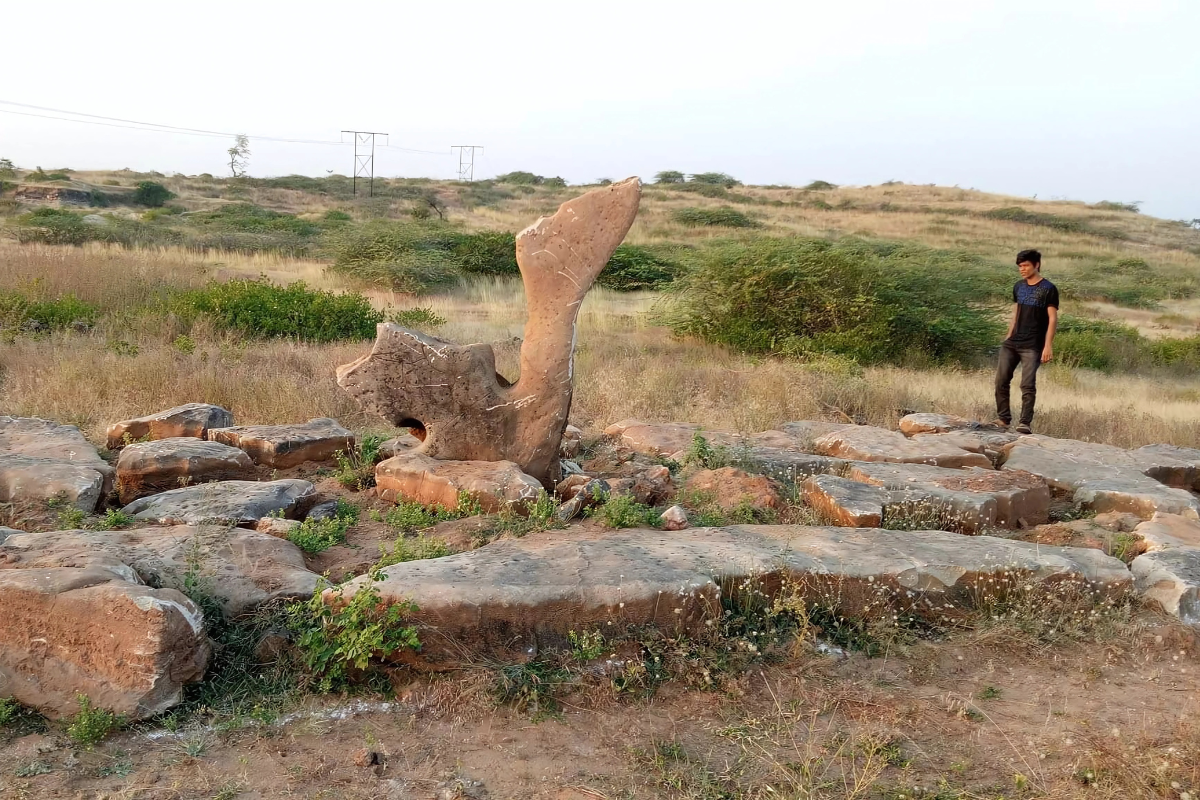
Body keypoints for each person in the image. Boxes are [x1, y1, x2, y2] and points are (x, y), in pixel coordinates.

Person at [994, 249, 1058, 434]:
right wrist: (1008, 336)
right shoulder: (1018, 286)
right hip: (1013, 342)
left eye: (1026, 265)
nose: (1022, 269)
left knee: (1027, 385)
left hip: (1033, 345)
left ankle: (1024, 423)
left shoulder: (1048, 289)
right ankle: (1003, 419)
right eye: (1020, 266)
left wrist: (1048, 345)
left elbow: (1052, 319)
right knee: (1001, 381)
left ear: (1036, 265)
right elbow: (1016, 313)